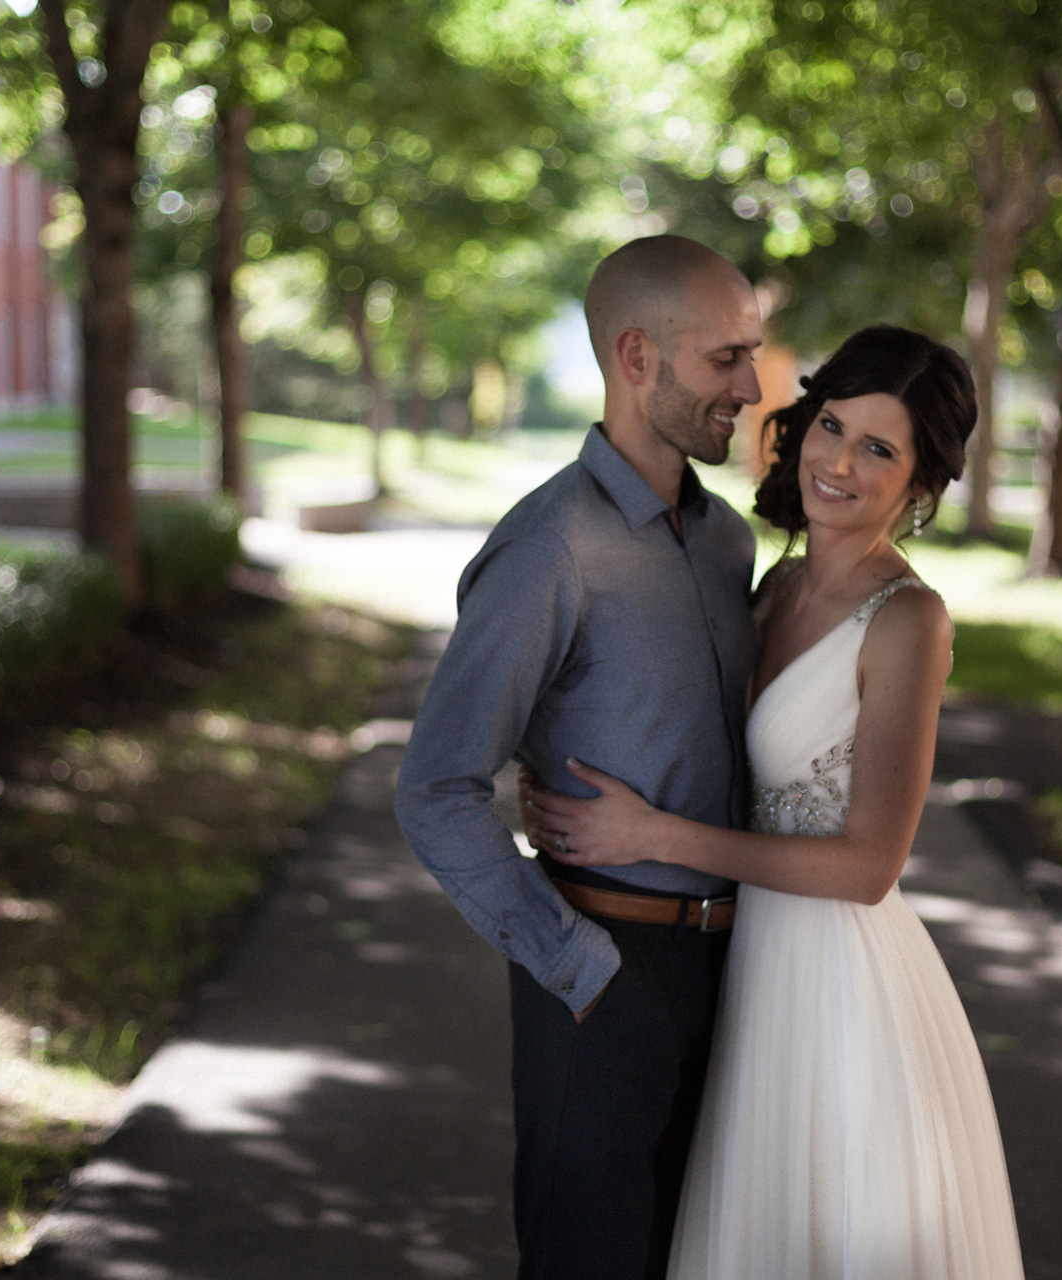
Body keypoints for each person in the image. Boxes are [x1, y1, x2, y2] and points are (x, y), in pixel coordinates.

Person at [527, 324, 1026, 1279]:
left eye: (878, 448)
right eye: (831, 425)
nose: (837, 461)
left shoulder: (909, 621)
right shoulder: (774, 582)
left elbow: (870, 868)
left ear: (920, 484)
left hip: (838, 983)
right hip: (742, 957)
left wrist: (656, 833)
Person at [393, 234, 764, 1279]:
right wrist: (572, 962)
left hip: (732, 965)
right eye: (725, 358)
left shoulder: (728, 540)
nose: (751, 384)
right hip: (602, 968)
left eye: (753, 353)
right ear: (636, 356)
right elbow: (436, 786)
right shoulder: (551, 545)